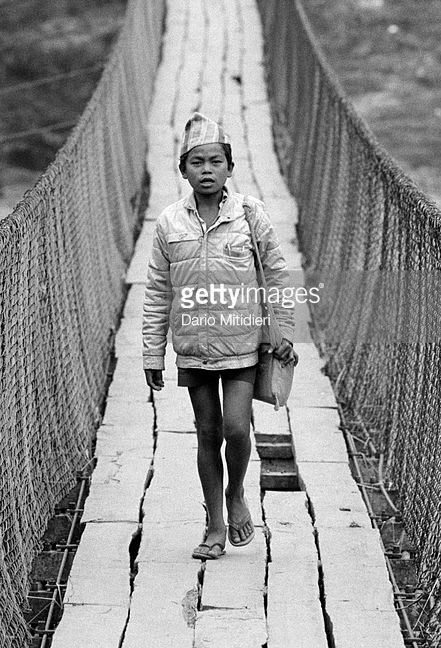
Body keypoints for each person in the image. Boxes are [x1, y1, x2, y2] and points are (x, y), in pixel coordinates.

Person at [142, 111, 296, 560]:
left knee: (236, 427)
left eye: (215, 161)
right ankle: (213, 523)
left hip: (243, 343)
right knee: (208, 432)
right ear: (183, 170)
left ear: (230, 167)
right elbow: (156, 290)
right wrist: (152, 353)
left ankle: (236, 494)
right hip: (193, 346)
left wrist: (282, 330)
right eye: (196, 162)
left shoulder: (250, 215)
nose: (206, 170)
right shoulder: (171, 222)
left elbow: (276, 273)